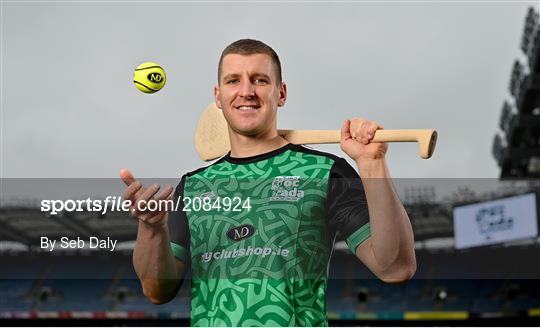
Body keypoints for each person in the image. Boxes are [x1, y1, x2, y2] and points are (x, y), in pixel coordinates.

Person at [120, 39, 416, 326]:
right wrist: (152, 228)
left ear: (281, 93)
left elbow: (395, 268)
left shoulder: (325, 172)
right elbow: (157, 291)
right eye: (233, 81)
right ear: (218, 96)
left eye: (260, 80)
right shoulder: (194, 186)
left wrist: (371, 163)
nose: (246, 91)